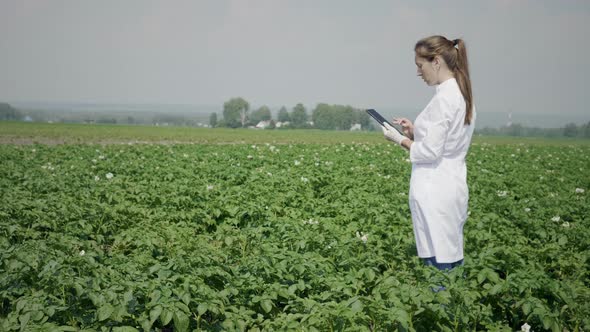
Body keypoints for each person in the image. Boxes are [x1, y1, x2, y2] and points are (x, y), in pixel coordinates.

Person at [382, 35, 476, 271]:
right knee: (450, 256)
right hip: (450, 184)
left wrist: (399, 139)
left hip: (435, 190)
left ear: (436, 61)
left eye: (420, 65)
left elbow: (430, 153)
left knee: (439, 265)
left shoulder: (445, 99)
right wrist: (415, 131)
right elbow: (447, 143)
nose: (418, 72)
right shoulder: (461, 94)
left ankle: (443, 306)